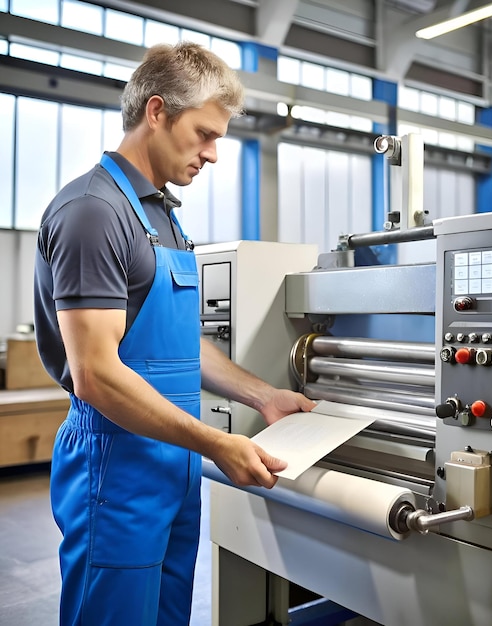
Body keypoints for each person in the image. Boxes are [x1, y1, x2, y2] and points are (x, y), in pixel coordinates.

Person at [33, 41, 316, 626]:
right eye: (206, 134)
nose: (213, 154)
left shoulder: (162, 214)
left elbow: (173, 342)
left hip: (172, 463)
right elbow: (96, 375)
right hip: (114, 466)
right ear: (157, 111)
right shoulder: (94, 213)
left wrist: (262, 396)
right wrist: (217, 443)